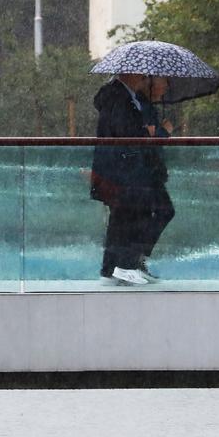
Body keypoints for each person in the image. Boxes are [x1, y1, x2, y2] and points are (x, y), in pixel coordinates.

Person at [90, 73, 174, 286]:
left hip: (131, 170)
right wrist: (157, 132)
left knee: (123, 218)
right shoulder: (119, 97)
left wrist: (152, 132)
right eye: (143, 74)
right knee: (133, 216)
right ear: (130, 72)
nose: (144, 77)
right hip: (125, 171)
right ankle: (126, 264)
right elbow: (127, 134)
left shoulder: (129, 98)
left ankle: (113, 268)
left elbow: (136, 133)